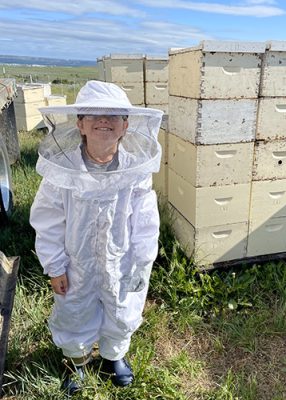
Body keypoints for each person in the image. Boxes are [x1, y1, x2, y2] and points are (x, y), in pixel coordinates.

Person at [30, 80, 163, 396]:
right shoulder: (61, 170)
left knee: (122, 305)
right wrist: (55, 267)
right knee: (74, 307)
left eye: (114, 115)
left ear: (125, 126)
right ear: (80, 124)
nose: (104, 120)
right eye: (94, 114)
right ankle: (75, 361)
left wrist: (141, 264)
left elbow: (146, 222)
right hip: (77, 262)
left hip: (124, 258)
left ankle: (113, 356)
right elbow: (47, 221)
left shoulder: (137, 170)